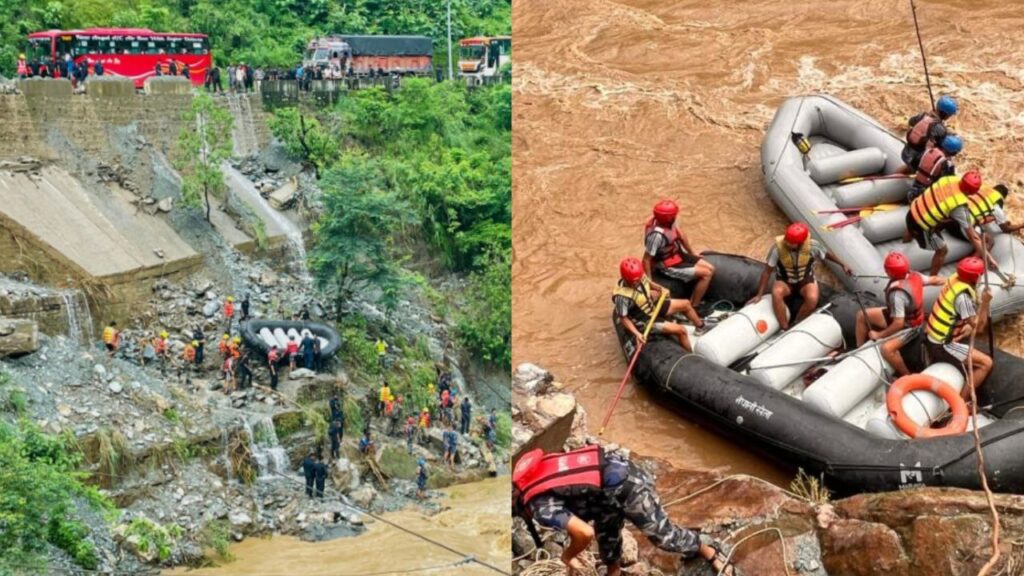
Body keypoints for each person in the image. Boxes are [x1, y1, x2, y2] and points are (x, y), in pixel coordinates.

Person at [513, 446, 736, 576]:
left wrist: (568, 555)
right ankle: (614, 572)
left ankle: (708, 550)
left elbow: (583, 533)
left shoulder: (539, 506)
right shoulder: (530, 478)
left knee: (664, 537)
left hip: (629, 486)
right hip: (604, 493)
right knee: (607, 534)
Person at [855, 251, 943, 376]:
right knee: (861, 315)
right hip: (902, 314)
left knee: (887, 350)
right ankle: (859, 350)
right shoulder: (915, 275)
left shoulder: (897, 295)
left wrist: (879, 335)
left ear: (890, 272)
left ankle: (906, 375)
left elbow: (898, 324)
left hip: (910, 327)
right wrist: (949, 280)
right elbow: (934, 280)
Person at [750, 222, 852, 330]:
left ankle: (796, 324)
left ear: (800, 243)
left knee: (812, 298)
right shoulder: (777, 249)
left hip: (805, 279)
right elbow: (766, 272)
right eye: (787, 241)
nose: (788, 244)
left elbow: (827, 254)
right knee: (776, 293)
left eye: (792, 243)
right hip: (785, 280)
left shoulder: (813, 246)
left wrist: (843, 265)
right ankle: (783, 327)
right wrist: (759, 295)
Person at [925, 257, 994, 398]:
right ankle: (963, 400)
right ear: (975, 277)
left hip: (934, 332)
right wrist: (985, 303)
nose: (982, 277)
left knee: (967, 329)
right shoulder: (963, 298)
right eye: (980, 275)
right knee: (986, 363)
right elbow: (979, 328)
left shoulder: (955, 278)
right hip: (942, 344)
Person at [903, 171, 995, 276]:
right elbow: (973, 237)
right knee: (943, 251)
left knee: (914, 224)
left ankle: (904, 243)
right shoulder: (959, 206)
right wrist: (988, 258)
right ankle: (933, 277)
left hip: (912, 212)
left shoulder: (948, 179)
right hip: (921, 227)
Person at [614, 257, 704, 353]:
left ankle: (701, 327)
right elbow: (623, 318)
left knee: (686, 304)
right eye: (635, 281)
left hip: (652, 306)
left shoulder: (639, 276)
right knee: (681, 330)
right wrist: (637, 334)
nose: (638, 281)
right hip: (645, 320)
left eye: (639, 278)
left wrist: (660, 288)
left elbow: (648, 282)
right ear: (627, 279)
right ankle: (692, 356)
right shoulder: (621, 297)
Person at [642, 200, 716, 310]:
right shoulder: (656, 236)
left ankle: (695, 295)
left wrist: (692, 254)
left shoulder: (670, 222)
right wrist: (650, 281)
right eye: (674, 214)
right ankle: (694, 306)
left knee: (711, 268)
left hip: (677, 254)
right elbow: (646, 259)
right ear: (668, 218)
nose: (676, 216)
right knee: (707, 274)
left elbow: (681, 235)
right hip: (667, 264)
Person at [901, 95, 958, 172]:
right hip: (915, 160)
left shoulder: (923, 115)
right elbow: (941, 147)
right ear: (947, 115)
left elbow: (911, 122)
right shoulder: (941, 129)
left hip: (906, 152)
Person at [910, 134, 961, 201]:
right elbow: (946, 183)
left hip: (914, 186)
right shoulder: (947, 164)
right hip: (924, 194)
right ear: (954, 152)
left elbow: (913, 163)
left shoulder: (928, 151)